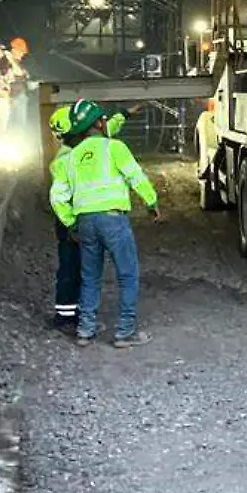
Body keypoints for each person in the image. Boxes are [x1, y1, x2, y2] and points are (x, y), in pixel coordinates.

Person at [50, 99, 162, 349]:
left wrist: (71, 223)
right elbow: (136, 177)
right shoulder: (115, 148)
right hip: (113, 220)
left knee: (90, 277)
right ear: (100, 123)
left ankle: (85, 331)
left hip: (86, 223)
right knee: (128, 274)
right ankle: (125, 333)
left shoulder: (68, 158)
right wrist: (151, 202)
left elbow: (57, 197)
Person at [45, 106, 86, 334]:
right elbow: (59, 198)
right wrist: (72, 225)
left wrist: (125, 114)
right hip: (70, 220)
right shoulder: (67, 159)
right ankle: (66, 317)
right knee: (72, 267)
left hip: (70, 220)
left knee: (74, 266)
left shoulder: (69, 153)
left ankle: (71, 312)